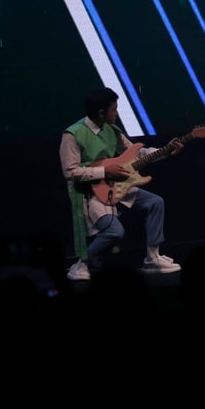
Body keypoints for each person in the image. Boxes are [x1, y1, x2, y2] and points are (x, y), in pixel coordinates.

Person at [61, 87, 183, 281]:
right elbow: (70, 171)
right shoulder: (72, 135)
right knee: (114, 232)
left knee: (154, 203)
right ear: (101, 113)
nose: (117, 114)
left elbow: (134, 152)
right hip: (89, 194)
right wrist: (104, 171)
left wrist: (166, 151)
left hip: (115, 186)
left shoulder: (112, 129)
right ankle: (81, 264)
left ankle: (153, 258)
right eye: (114, 109)